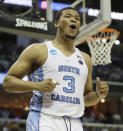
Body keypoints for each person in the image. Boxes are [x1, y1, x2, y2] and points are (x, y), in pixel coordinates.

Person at [3, 7, 109, 131]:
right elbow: (8, 82)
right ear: (57, 23)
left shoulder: (85, 59)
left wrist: (97, 95)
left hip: (75, 123)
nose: (73, 20)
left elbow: (86, 98)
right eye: (68, 16)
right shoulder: (38, 50)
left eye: (77, 19)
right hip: (45, 119)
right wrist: (37, 86)